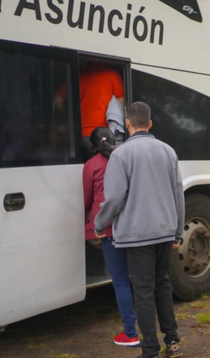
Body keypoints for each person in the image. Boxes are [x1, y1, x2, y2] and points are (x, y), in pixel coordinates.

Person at [94, 102, 184, 358]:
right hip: (165, 231)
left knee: (143, 291)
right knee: (162, 285)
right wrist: (178, 230)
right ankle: (173, 340)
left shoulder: (121, 155)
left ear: (127, 124)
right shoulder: (168, 151)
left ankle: (150, 350)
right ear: (150, 123)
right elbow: (179, 193)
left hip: (137, 234)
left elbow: (113, 198)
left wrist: (100, 225)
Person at [82, 127, 139, 347]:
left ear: (93, 146)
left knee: (121, 282)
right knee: (140, 281)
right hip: (132, 228)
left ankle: (130, 333)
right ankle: (153, 332)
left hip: (106, 230)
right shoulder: (127, 159)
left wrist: (90, 224)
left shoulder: (90, 165)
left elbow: (87, 199)